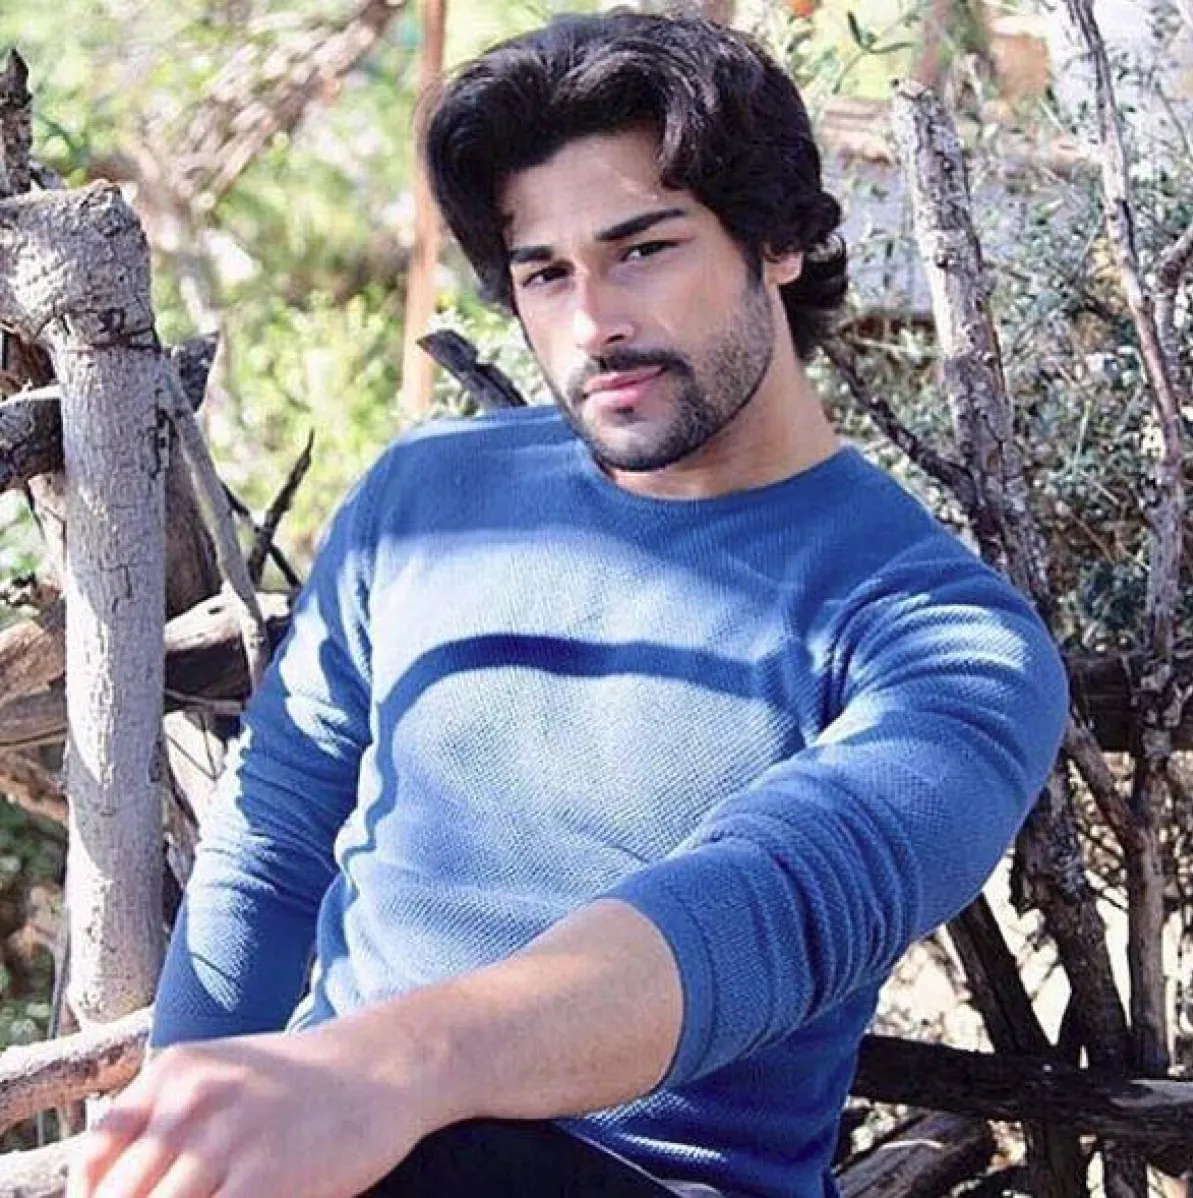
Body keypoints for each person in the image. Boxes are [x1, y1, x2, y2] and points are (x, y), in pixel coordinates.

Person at [69, 11, 1069, 1198]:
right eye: (546, 272)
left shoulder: (947, 643)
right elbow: (273, 845)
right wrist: (176, 1137)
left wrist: (389, 1073)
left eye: (643, 249)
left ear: (780, 241)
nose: (594, 322)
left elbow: (756, 911)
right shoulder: (425, 500)